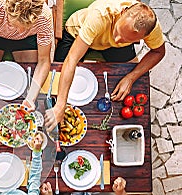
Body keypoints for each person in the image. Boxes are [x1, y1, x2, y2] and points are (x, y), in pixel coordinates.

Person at [45, 0, 165, 131]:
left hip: (111, 47)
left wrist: (131, 77)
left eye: (126, 39)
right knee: (56, 78)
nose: (117, 39)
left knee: (124, 86)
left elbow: (159, 52)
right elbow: (72, 59)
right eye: (119, 31)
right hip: (77, 34)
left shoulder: (151, 27)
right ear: (122, 12)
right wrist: (61, 106)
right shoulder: (99, 16)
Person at [0, 0, 53, 109]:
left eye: (26, 26)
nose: (21, 31)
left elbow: (44, 61)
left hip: (27, 39)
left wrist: (31, 98)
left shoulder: (44, 16)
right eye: (17, 24)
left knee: (28, 78)